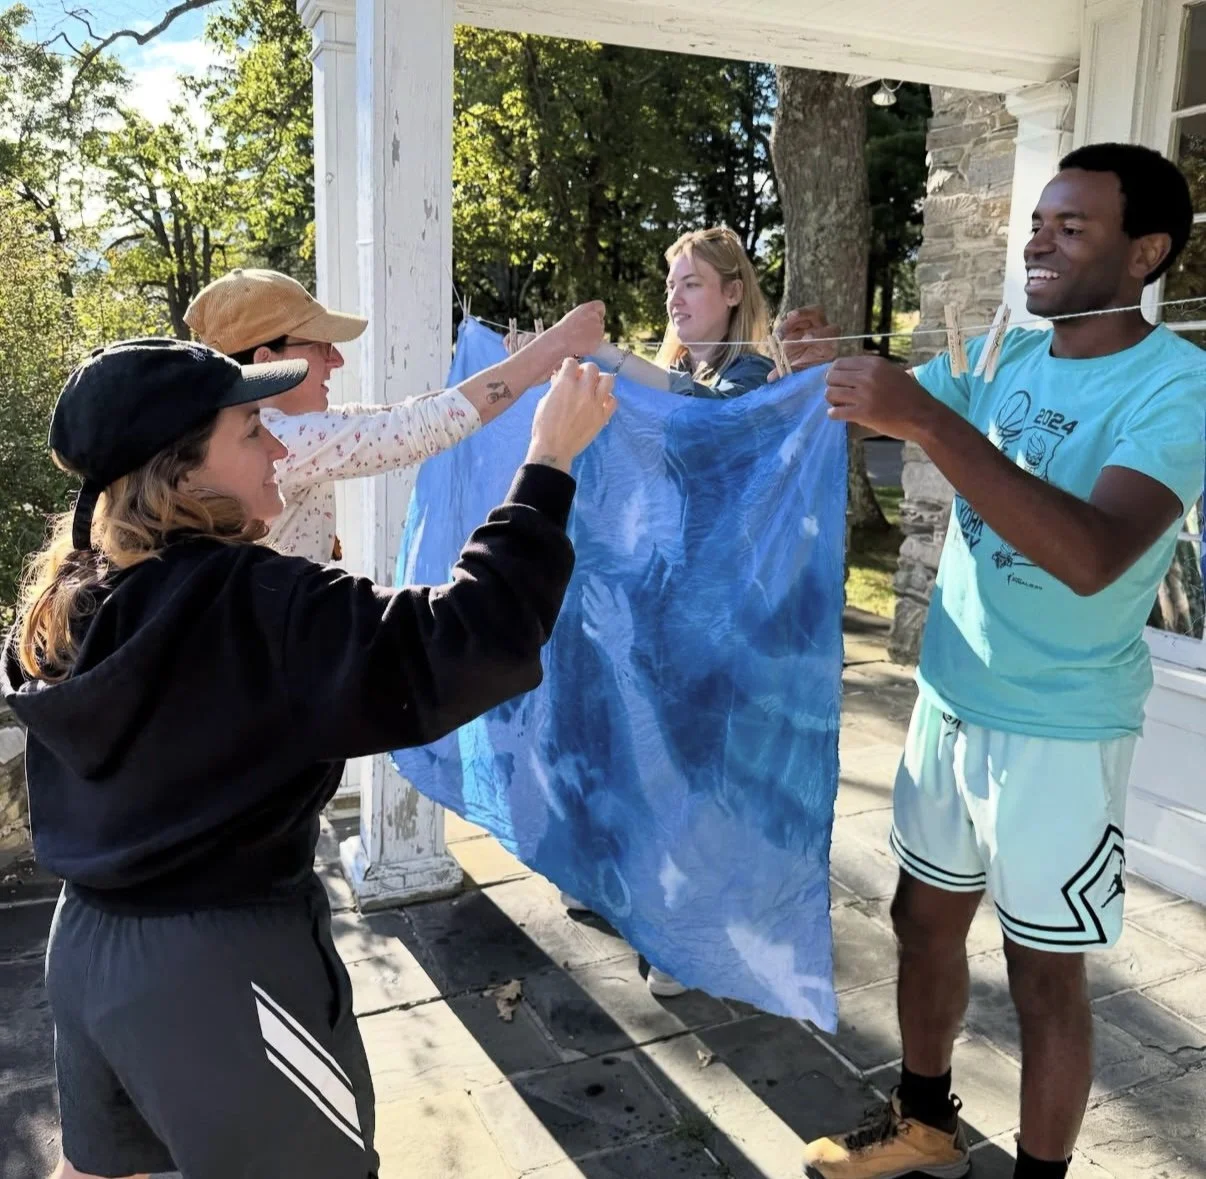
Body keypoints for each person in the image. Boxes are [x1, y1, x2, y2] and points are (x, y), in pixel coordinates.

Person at [4, 337, 615, 1179]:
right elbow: (471, 637)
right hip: (221, 977)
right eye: (254, 429)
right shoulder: (256, 603)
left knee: (100, 1172)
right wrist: (548, 459)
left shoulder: (71, 601)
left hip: (83, 951)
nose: (283, 447)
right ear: (181, 475)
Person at [804, 143, 1205, 1179]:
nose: (1039, 241)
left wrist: (927, 421)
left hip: (1059, 731)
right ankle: (925, 1124)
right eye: (1040, 220)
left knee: (1043, 979)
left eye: (1074, 229)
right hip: (951, 699)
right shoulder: (1004, 360)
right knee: (920, 922)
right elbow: (886, 400)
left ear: (1145, 252)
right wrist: (820, 366)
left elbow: (1091, 555)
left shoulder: (1179, 388)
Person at [184, 267, 607, 563]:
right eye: (319, 345)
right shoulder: (283, 440)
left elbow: (402, 414)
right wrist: (556, 343)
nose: (336, 360)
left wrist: (526, 370)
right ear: (264, 361)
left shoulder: (245, 430)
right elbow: (422, 426)